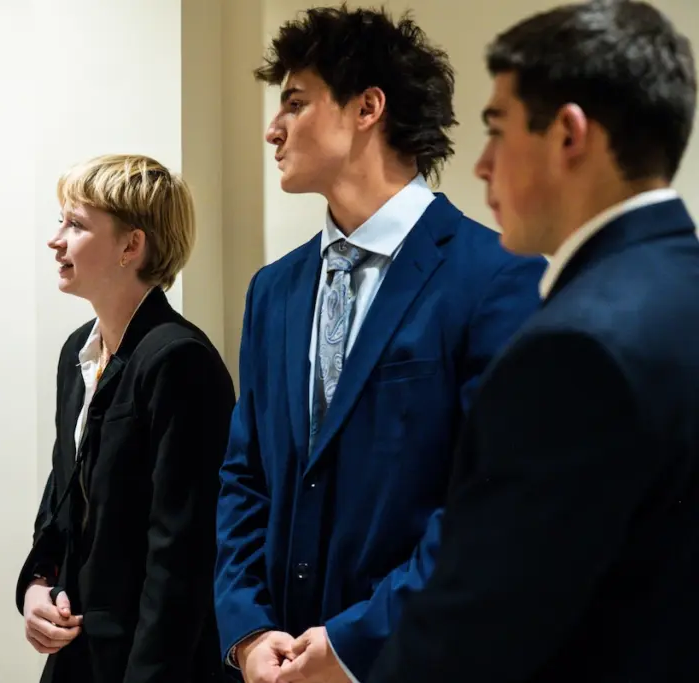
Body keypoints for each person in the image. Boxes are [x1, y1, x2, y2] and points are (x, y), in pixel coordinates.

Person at [213, 6, 548, 683]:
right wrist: (247, 628)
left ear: (368, 107)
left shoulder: (500, 277)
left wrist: (352, 643)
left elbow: (492, 505)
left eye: (296, 103)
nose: (272, 129)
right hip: (274, 665)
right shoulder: (272, 291)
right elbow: (244, 477)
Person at [366, 2, 699, 682]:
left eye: (497, 130)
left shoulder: (574, 351)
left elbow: (473, 630)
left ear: (569, 134)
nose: (482, 166)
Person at [15, 153, 236, 683]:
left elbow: (181, 554)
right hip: (78, 654)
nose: (56, 239)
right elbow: (62, 496)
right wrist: (37, 586)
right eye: (60, 221)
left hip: (150, 662)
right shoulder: (78, 353)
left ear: (131, 247)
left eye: (76, 224)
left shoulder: (178, 359)